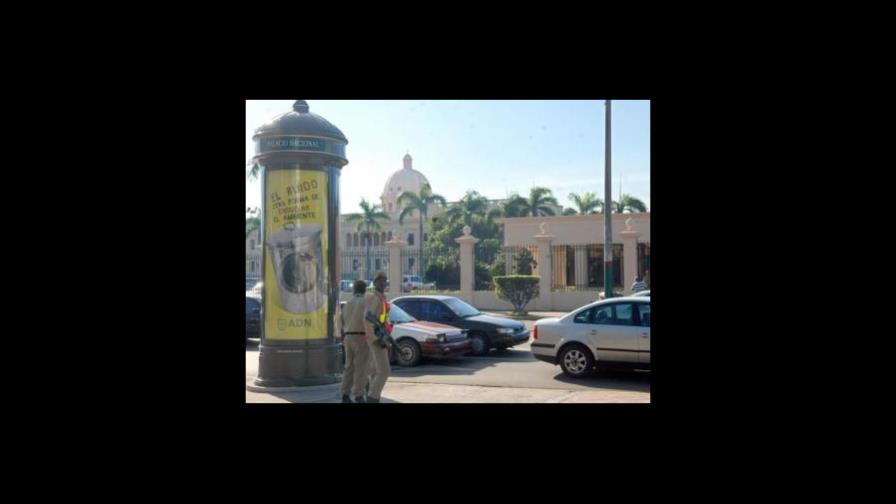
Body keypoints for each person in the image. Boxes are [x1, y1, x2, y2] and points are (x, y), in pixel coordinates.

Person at [336, 280, 370, 403]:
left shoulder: (347, 304)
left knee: (349, 367)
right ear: (365, 290)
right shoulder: (365, 303)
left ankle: (345, 394)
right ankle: (358, 395)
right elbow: (369, 321)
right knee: (361, 367)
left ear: (354, 290)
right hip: (361, 337)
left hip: (348, 337)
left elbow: (340, 322)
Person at [363, 271, 391, 403]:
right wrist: (376, 339)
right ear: (374, 283)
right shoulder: (375, 298)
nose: (383, 283)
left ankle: (373, 395)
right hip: (376, 338)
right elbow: (368, 320)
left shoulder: (381, 298)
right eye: (380, 280)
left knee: (375, 371)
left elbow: (383, 319)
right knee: (384, 371)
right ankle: (372, 398)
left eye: (384, 280)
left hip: (381, 336)